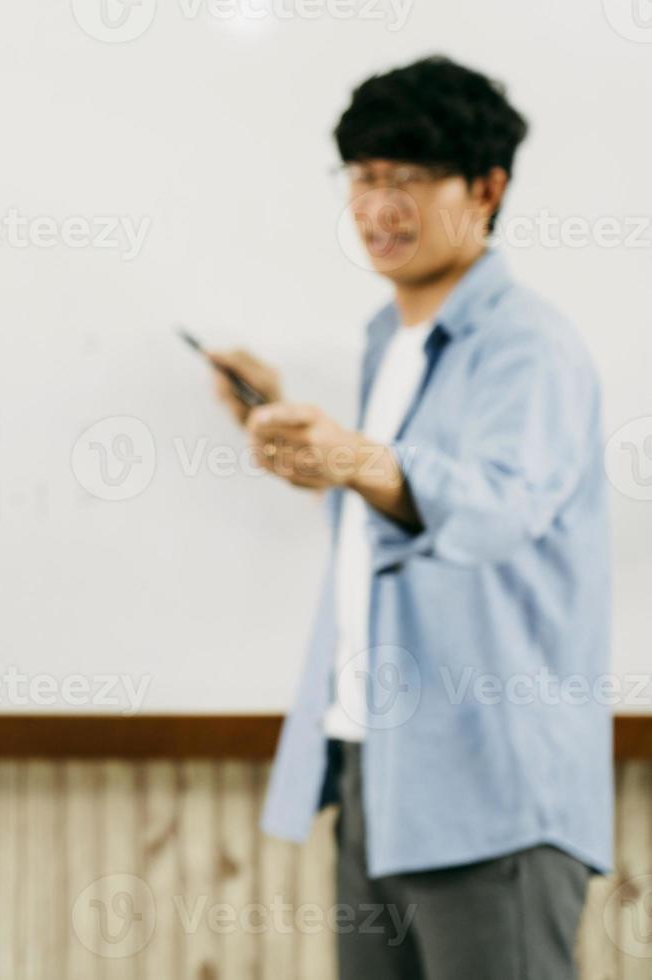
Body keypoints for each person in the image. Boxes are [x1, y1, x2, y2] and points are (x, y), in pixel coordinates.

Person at [211, 56, 611, 978]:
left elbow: (498, 508)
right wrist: (308, 443)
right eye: (363, 178)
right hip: (378, 775)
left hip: (494, 788)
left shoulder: (527, 344)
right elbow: (400, 518)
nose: (379, 206)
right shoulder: (385, 341)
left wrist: (351, 455)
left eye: (410, 179)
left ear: (487, 187)